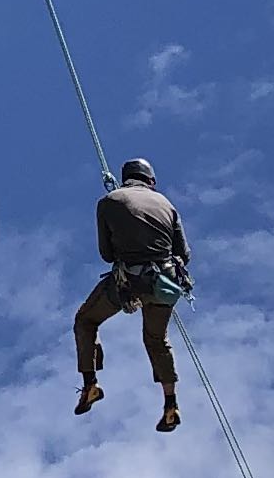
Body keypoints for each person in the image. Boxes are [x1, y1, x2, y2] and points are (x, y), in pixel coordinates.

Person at [75, 157, 191, 433]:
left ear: (125, 177)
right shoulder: (167, 205)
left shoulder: (109, 201)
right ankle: (170, 404)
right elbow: (184, 254)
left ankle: (91, 384)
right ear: (151, 181)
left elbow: (106, 254)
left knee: (86, 320)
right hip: (166, 283)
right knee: (156, 339)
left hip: (131, 280)